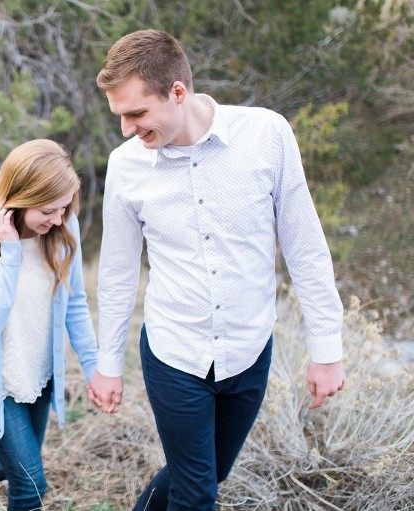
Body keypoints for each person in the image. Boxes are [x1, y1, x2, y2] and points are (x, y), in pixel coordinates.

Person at [87, 30, 347, 511]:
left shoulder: (267, 135)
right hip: (173, 353)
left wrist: (326, 347)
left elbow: (304, 245)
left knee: (209, 470)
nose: (126, 129)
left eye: (136, 113)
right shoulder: (125, 167)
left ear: (178, 93)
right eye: (120, 115)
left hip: (249, 349)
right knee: (197, 491)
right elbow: (118, 273)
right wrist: (108, 364)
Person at [0, 139, 98, 511]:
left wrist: (95, 368)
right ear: (18, 196)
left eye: (64, 208)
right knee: (31, 482)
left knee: (18, 455)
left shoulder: (64, 230)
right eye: (48, 210)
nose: (58, 219)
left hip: (41, 372)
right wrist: (11, 250)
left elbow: (75, 302)